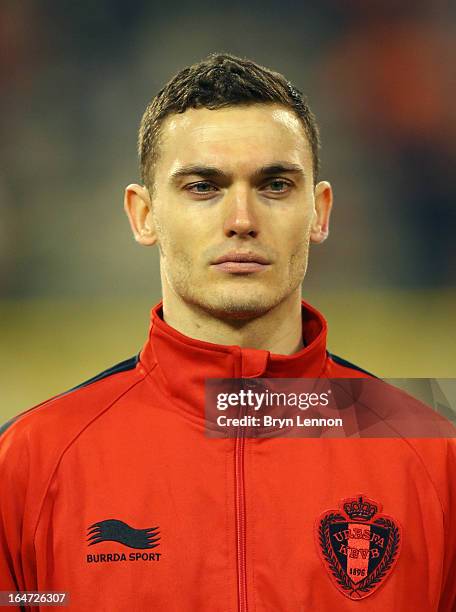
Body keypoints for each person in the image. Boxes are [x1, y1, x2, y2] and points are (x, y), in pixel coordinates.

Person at [0, 53, 454, 612]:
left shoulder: (435, 456)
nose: (241, 217)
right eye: (203, 186)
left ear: (320, 211)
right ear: (143, 215)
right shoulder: (29, 461)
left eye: (276, 185)